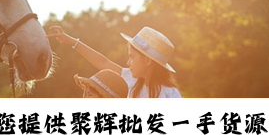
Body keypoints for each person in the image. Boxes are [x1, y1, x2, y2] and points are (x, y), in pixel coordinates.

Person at [47, 26, 181, 98]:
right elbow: (103, 62)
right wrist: (72, 42)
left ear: (147, 60)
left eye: (132, 57)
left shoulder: (170, 93)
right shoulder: (132, 79)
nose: (128, 62)